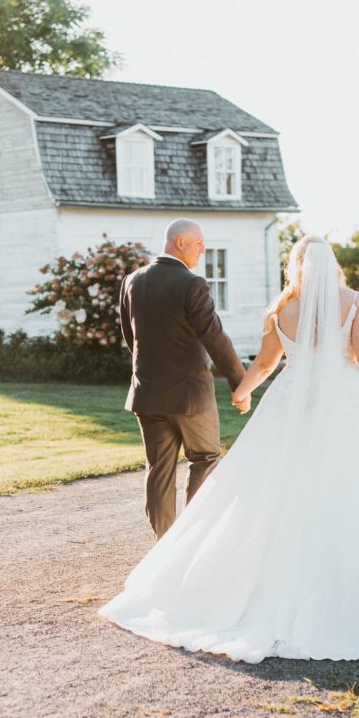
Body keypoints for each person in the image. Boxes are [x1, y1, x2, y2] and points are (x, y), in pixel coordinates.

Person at [99, 235, 359, 662]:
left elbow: (265, 363)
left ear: (295, 265)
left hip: (291, 400)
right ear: (332, 265)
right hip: (347, 401)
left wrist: (243, 391)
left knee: (276, 487)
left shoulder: (280, 309)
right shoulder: (353, 302)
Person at [119, 218, 248, 541]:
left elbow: (129, 335)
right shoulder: (192, 284)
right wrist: (240, 384)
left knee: (159, 470)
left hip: (147, 394)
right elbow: (215, 337)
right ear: (179, 243)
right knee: (205, 459)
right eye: (199, 243)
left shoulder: (132, 282)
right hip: (191, 397)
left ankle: (164, 545)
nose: (203, 250)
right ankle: (191, 543)